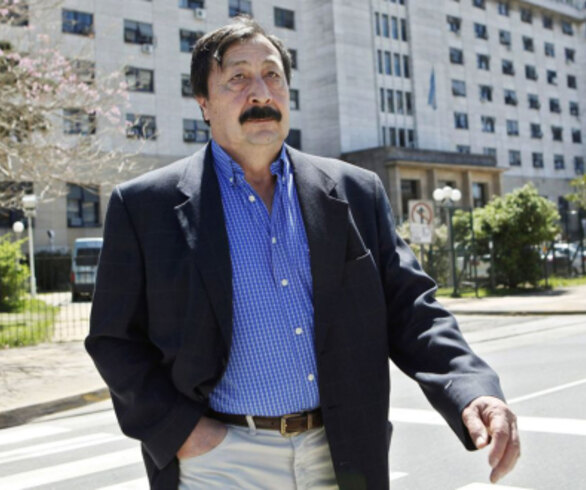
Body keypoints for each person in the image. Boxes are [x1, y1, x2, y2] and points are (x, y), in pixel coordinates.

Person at [86, 16, 519, 490]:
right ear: (204, 103)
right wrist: (184, 433)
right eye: (238, 77)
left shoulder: (355, 191)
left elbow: (412, 310)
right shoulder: (144, 206)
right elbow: (113, 339)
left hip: (342, 454)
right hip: (221, 461)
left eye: (272, 75)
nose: (260, 93)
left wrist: (472, 389)